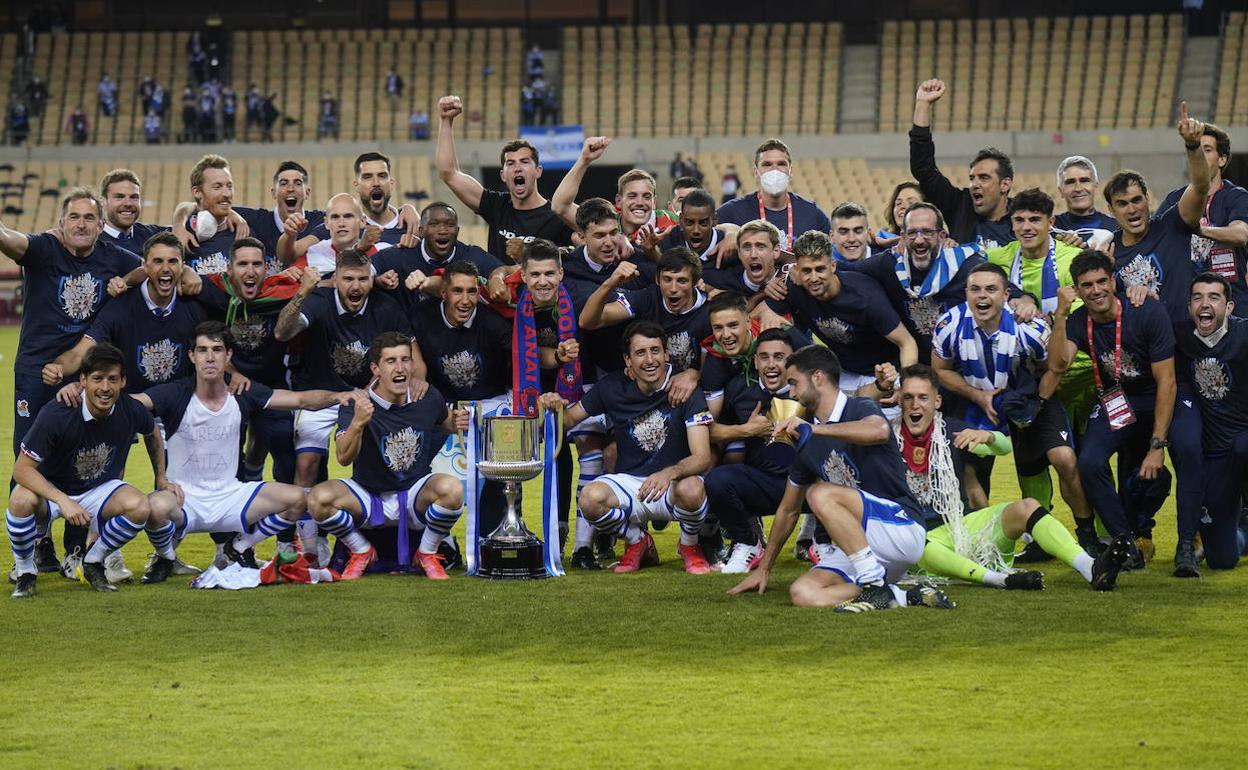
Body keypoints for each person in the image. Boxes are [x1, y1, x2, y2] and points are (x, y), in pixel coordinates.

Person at [727, 345, 952, 611]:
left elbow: (879, 431)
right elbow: (788, 510)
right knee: (803, 593)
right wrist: (764, 569)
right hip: (860, 546)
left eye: (795, 383)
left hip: (901, 528)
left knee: (819, 493)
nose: (793, 392)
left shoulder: (859, 406)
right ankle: (901, 595)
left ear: (818, 377)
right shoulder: (806, 438)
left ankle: (873, 584)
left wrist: (816, 430)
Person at [137, 322, 350, 582]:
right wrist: (83, 393)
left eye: (217, 350)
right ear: (191, 356)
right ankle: (165, 557)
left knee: (300, 498)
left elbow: (300, 400)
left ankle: (236, 546)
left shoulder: (241, 393)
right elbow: (135, 404)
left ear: (228, 356)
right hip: (185, 499)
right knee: (154, 507)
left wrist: (342, 396)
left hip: (230, 495)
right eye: (202, 350)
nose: (210, 357)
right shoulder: (175, 393)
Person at [1, 189, 142, 576]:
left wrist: (127, 279)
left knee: (88, 456)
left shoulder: (113, 256)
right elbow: (11, 240)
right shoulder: (44, 249)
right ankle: (35, 546)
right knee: (29, 458)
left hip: (85, 371)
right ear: (61, 224)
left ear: (100, 226)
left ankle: (75, 548)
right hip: (36, 370)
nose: (81, 224)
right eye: (74, 218)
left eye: (89, 218)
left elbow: (153, 266)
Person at [892, 364, 1132, 591]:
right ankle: (1000, 580)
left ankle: (1090, 566)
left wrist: (988, 438)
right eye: (908, 398)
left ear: (937, 401)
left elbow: (1004, 447)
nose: (915, 405)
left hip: (960, 530)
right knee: (919, 545)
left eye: (923, 397)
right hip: (913, 537)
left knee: (1027, 507)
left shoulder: (952, 430)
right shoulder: (884, 437)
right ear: (899, 401)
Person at [273, 249, 418, 562]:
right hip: (319, 397)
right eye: (348, 279)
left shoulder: (385, 307)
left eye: (362, 279)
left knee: (373, 464)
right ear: (335, 279)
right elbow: (282, 332)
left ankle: (378, 537)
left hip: (366, 397)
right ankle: (312, 547)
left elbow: (408, 351)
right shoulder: (318, 302)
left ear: (371, 280)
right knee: (306, 465)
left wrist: (414, 382)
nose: (356, 286)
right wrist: (302, 293)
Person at [1048, 250, 1187, 573]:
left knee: (1168, 465)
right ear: (1078, 290)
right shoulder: (1079, 321)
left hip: (1157, 397)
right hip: (1116, 401)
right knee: (1090, 462)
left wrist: (1157, 446)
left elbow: (1167, 382)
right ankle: (1124, 542)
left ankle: (1186, 538)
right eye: (1086, 285)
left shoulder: (1147, 311)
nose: (1095, 290)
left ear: (1113, 281)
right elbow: (1058, 364)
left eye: (1101, 282)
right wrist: (1061, 315)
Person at [541, 321, 717, 574]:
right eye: (640, 353)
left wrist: (668, 473)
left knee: (693, 488)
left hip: (673, 484)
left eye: (655, 351)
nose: (650, 360)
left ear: (667, 354)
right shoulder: (611, 387)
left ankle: (689, 545)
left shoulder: (685, 390)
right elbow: (568, 420)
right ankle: (637, 541)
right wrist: (552, 404)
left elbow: (702, 456)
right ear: (627, 360)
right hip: (631, 484)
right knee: (589, 499)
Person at [931, 262, 1096, 528]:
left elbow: (1055, 368)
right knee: (969, 469)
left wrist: (1038, 402)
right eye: (975, 289)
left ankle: (1088, 536)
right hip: (975, 400)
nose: (982, 295)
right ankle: (978, 538)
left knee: (1064, 459)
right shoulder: (948, 324)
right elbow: (940, 370)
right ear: (966, 294)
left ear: (1006, 295)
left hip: (1029, 396)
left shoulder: (1030, 328)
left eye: (991, 289)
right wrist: (976, 395)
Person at [7, 344, 168, 598]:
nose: (105, 388)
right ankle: (26, 572)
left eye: (112, 379)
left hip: (97, 490)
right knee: (19, 499)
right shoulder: (57, 413)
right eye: (97, 379)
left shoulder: (130, 408)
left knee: (140, 506)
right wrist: (63, 500)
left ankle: (93, 561)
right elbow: (21, 470)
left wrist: (161, 476)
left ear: (123, 381)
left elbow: (153, 433)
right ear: (82, 380)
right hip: (54, 490)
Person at [307, 333, 468, 580]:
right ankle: (361, 550)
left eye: (405, 359)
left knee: (453, 489)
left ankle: (426, 552)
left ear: (413, 365)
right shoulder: (356, 403)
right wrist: (358, 423)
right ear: (376, 369)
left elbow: (444, 422)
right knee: (318, 499)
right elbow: (343, 457)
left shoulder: (428, 396)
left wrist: (457, 422)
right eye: (391, 361)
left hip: (414, 493)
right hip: (369, 495)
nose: (400, 367)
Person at [411, 261, 513, 535]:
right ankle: (439, 544)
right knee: (427, 474)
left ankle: (492, 539)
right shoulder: (421, 317)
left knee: (501, 478)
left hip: (491, 407)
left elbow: (518, 370)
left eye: (472, 292)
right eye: (458, 291)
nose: (466, 300)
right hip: (442, 409)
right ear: (443, 292)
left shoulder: (494, 324)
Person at [44, 232, 206, 396]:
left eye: (172, 261)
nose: (165, 268)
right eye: (158, 261)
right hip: (130, 409)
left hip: (177, 409)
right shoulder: (120, 307)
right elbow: (80, 353)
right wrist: (59, 367)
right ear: (145, 266)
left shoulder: (194, 305)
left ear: (183, 266)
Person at [760, 230, 918, 393]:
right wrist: (767, 311)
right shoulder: (794, 286)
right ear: (797, 270)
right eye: (807, 271)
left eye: (820, 269)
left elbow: (907, 343)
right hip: (839, 373)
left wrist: (906, 387)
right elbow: (755, 314)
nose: (814, 278)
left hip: (883, 373)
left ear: (833, 266)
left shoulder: (866, 298)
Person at [706, 327, 806, 572]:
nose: (771, 365)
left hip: (806, 484)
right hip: (764, 483)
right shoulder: (739, 389)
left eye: (779, 357)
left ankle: (823, 543)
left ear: (792, 361)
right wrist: (745, 431)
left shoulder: (808, 391)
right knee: (718, 480)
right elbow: (707, 431)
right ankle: (747, 542)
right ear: (755, 360)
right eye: (764, 357)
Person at [842, 202, 986, 362]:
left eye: (927, 232)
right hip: (918, 367)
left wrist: (1019, 299)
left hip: (963, 365)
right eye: (911, 233)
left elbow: (1003, 288)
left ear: (942, 236)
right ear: (902, 238)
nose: (919, 240)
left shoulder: (966, 265)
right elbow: (846, 270)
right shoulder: (889, 264)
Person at [437, 95, 573, 261]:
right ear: (503, 175)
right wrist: (445, 121)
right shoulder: (496, 206)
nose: (517, 168)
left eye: (524, 162)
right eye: (510, 163)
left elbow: (582, 250)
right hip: (499, 287)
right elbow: (449, 173)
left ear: (538, 171)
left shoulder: (557, 216)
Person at [1176, 273, 1248, 571]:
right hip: (1218, 458)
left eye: (1214, 298)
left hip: (1244, 443)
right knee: (1221, 560)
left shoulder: (1245, 335)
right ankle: (1242, 533)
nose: (1205, 304)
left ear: (1229, 307)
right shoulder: (1180, 336)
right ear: (1189, 306)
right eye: (1197, 298)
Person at [909, 79, 1014, 247]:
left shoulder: (1023, 217)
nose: (974, 184)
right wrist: (923, 104)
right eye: (972, 178)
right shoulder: (959, 205)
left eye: (984, 178)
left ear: (1005, 184)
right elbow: (923, 169)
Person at [578, 248, 710, 377]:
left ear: (695, 283)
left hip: (689, 389)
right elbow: (587, 322)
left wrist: (695, 375)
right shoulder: (648, 297)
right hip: (645, 383)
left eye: (682, 281)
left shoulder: (710, 311)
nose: (673, 289)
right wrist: (610, 284)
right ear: (658, 280)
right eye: (667, 279)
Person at [1158, 122, 1248, 309]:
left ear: (1222, 159)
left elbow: (1240, 235)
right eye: (1195, 150)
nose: (1198, 155)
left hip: (1232, 305)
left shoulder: (1235, 196)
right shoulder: (1175, 199)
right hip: (1186, 305)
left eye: (1206, 150)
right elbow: (1154, 237)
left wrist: (1199, 230)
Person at [551, 138, 679, 249]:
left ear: (654, 202)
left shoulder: (671, 222)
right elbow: (560, 206)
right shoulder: (604, 221)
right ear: (619, 201)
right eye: (632, 196)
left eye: (646, 196)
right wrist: (584, 161)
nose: (640, 203)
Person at [716, 138, 831, 251]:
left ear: (790, 172)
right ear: (756, 172)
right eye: (767, 164)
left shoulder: (811, 213)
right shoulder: (733, 212)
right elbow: (705, 229)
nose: (774, 170)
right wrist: (728, 229)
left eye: (781, 164)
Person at [234, 160, 326, 258]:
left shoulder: (321, 221)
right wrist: (232, 214)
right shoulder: (258, 221)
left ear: (307, 193)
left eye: (298, 183)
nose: (290, 188)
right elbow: (218, 211)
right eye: (283, 183)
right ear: (274, 193)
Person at [702, 218, 778, 304]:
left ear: (776, 251)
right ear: (739, 253)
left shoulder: (790, 279)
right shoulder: (716, 280)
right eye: (747, 247)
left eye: (761, 247)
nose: (753, 255)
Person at [96, 169, 167, 253]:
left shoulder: (153, 236)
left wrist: (181, 213)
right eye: (119, 197)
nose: (128, 203)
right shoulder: (91, 242)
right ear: (103, 202)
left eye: (134, 197)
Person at [1053, 156, 1118, 237]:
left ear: (1095, 186)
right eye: (1070, 182)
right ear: (1061, 190)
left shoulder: (1117, 228)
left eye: (1084, 181)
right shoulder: (1051, 229)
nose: (1078, 188)